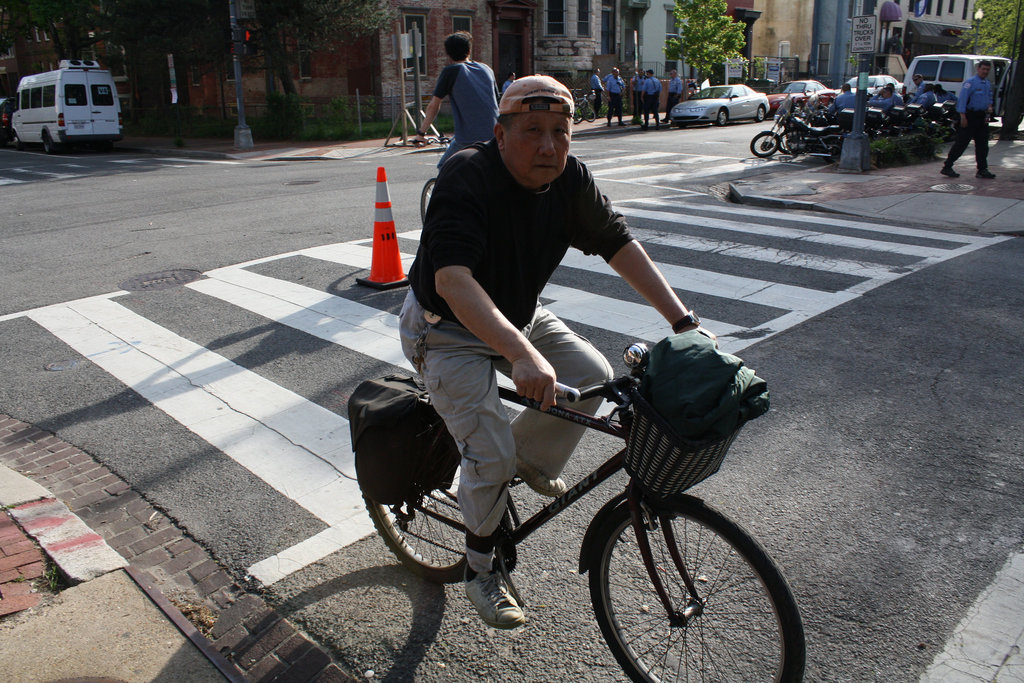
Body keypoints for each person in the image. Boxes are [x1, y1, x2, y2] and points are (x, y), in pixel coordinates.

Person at [398, 75, 712, 630]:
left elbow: (618, 243)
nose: (548, 146)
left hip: (517, 315)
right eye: (532, 131)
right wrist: (521, 354)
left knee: (591, 373)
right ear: (499, 133)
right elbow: (451, 280)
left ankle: (525, 462)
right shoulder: (467, 176)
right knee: (489, 452)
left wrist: (683, 321)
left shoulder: (570, 181)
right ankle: (479, 568)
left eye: (561, 132)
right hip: (445, 329)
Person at [414, 31, 500, 168]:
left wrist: (421, 133)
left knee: (444, 166)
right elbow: (497, 101)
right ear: (469, 50)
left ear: (448, 54)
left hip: (468, 138)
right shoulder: (486, 69)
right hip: (495, 136)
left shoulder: (451, 72)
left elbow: (434, 105)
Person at [941, 60, 996, 179]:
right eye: (983, 69)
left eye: (987, 70)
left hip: (982, 117)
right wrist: (963, 117)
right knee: (961, 143)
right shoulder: (970, 83)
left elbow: (989, 98)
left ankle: (982, 170)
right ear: (978, 69)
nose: (985, 71)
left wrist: (990, 106)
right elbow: (962, 100)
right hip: (969, 116)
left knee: (983, 145)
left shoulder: (987, 83)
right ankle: (947, 166)